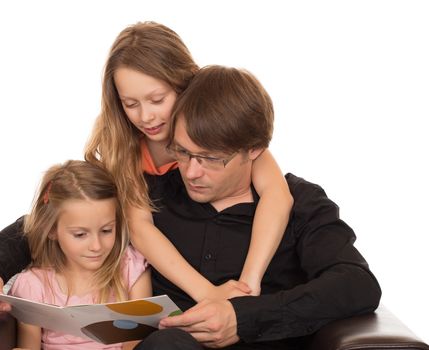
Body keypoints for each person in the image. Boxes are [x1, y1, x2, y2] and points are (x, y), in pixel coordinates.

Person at [0, 21, 293, 316]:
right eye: (131, 104)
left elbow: (278, 197)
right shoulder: (126, 152)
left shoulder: (228, 141)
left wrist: (248, 285)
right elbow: (64, 219)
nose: (145, 117)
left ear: (187, 86)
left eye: (157, 100)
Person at [130, 65, 381, 349]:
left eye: (211, 158)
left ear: (255, 149)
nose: (191, 172)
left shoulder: (301, 203)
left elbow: (357, 285)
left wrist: (244, 317)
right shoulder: (152, 197)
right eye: (183, 152)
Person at [8, 160, 150, 350]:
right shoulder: (33, 285)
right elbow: (29, 346)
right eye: (80, 234)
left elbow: (135, 343)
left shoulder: (130, 266)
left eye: (107, 230)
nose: (96, 246)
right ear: (52, 230)